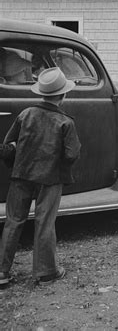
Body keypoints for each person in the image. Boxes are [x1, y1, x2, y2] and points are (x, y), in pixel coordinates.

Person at [0, 67, 81, 286]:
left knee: (13, 222)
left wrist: (16, 166)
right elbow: (72, 154)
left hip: (21, 175)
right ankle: (45, 272)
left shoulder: (26, 114)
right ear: (63, 95)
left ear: (42, 93)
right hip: (50, 179)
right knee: (45, 222)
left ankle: (2, 273)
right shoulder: (66, 122)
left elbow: (7, 147)